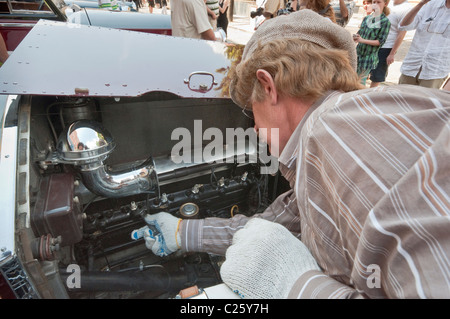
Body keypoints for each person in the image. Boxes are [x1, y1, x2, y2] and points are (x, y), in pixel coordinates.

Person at [134, 10, 450, 299]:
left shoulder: (336, 133)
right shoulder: (332, 140)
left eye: (251, 114)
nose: (255, 130)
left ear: (268, 86)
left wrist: (297, 287)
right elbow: (265, 230)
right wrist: (181, 232)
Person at [398, 0, 450, 89]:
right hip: (412, 66)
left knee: (424, 102)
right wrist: (420, 4)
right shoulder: (430, 4)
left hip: (435, 71)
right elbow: (404, 26)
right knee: (400, 100)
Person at [369, 0, 413, 87]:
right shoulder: (386, 2)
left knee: (376, 76)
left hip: (386, 47)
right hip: (370, 44)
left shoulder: (407, 8)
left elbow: (402, 33)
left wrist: (392, 53)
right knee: (364, 72)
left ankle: (369, 96)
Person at [354, 0, 391, 85]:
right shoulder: (367, 18)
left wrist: (362, 40)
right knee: (351, 79)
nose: (376, 4)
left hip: (368, 57)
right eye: (374, 2)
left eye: (379, 2)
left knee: (359, 83)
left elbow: (380, 41)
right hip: (357, 53)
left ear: (385, 4)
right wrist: (355, 37)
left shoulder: (385, 21)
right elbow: (360, 33)